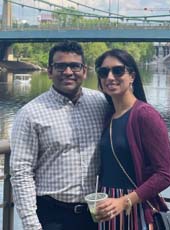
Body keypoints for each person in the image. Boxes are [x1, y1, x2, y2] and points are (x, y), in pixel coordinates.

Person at [10, 41, 109, 230]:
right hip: (51, 215)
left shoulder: (100, 103)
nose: (68, 72)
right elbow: (21, 173)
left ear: (84, 71)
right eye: (61, 66)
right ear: (49, 71)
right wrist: (32, 224)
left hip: (93, 214)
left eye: (75, 66)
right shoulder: (30, 113)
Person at [94, 49, 170, 229]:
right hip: (108, 208)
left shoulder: (145, 115)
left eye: (117, 70)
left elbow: (166, 174)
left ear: (132, 76)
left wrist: (124, 201)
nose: (110, 76)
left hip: (135, 210)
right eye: (103, 72)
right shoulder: (109, 116)